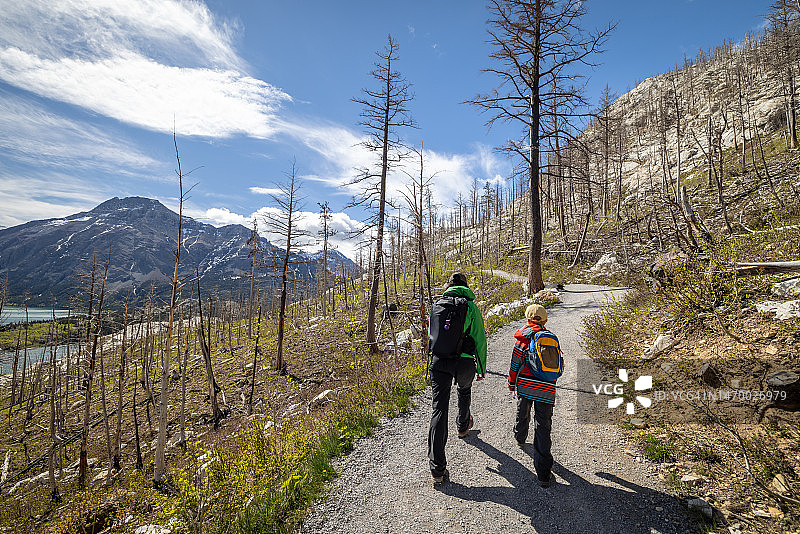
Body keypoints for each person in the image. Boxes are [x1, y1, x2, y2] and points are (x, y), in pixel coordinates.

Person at [427, 272, 487, 486]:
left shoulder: (438, 305)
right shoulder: (470, 307)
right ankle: (463, 426)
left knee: (439, 409)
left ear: (449, 286)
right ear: (465, 286)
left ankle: (437, 469)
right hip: (463, 362)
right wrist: (481, 367)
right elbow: (479, 338)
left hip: (439, 361)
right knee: (464, 390)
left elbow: (431, 335)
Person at [508, 304, 556, 488]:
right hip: (546, 386)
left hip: (525, 385)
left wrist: (512, 383)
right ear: (545, 321)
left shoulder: (523, 338)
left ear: (527, 319)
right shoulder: (551, 338)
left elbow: (515, 363)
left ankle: (520, 437)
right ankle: (544, 475)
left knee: (523, 409)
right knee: (543, 426)